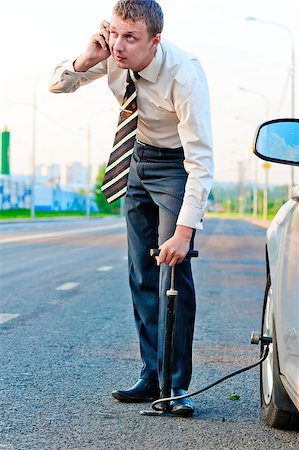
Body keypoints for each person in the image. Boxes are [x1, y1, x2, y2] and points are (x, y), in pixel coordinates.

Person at [49, 0, 213, 416]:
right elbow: (57, 85)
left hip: (176, 166)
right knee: (141, 271)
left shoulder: (184, 74)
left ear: (154, 41)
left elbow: (200, 162)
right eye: (115, 32)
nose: (119, 46)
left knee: (171, 271)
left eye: (131, 38)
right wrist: (86, 58)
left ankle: (175, 387)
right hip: (135, 158)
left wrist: (184, 231)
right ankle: (151, 374)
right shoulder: (112, 53)